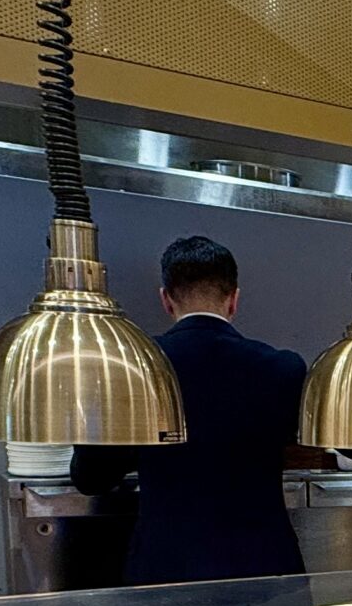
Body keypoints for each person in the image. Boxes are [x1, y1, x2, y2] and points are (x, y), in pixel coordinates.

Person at [71, 235, 307, 586]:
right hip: (267, 571)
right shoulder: (284, 368)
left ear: (166, 299)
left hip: (166, 571)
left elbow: (91, 478)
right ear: (234, 299)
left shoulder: (132, 367)